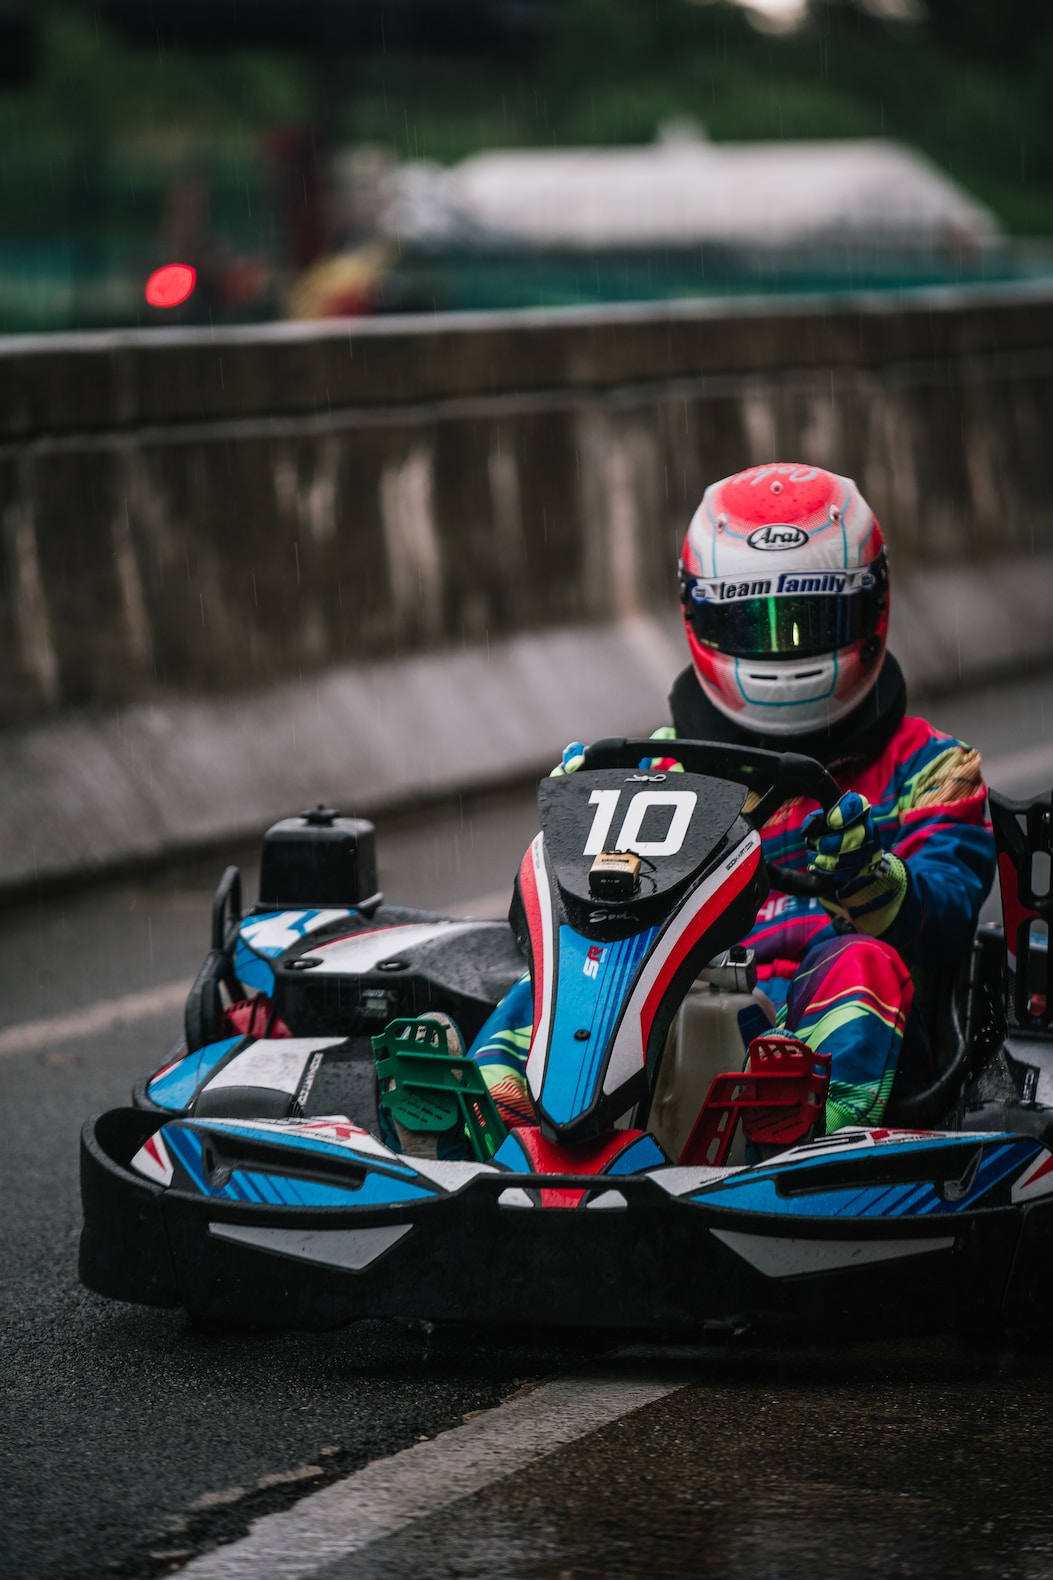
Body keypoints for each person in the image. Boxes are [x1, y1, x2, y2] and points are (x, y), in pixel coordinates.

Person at [398, 463, 996, 1149]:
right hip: (675, 997)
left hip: (827, 1018)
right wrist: (578, 837)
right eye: (751, 622)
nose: (781, 647)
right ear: (701, 618)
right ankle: (490, 1123)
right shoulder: (656, 769)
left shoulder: (933, 767)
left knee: (859, 964)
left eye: (807, 618)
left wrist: (875, 882)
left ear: (870, 608)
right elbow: (601, 916)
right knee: (560, 980)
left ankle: (802, 1138)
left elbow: (950, 912)